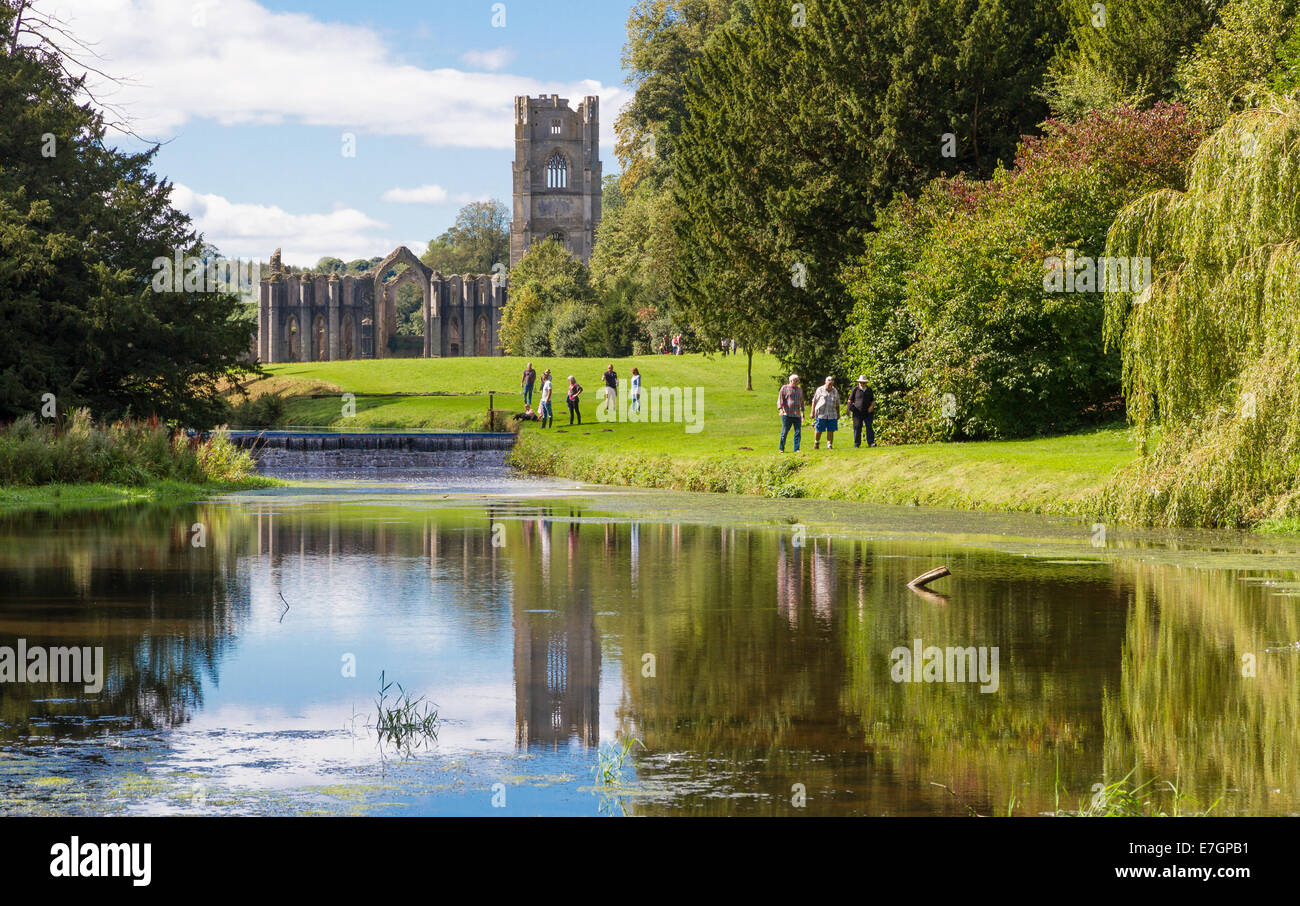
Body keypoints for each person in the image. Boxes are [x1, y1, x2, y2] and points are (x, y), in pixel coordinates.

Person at [811, 376, 840, 449]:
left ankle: (829, 445)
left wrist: (838, 413)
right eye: (828, 384)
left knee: (831, 430)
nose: (830, 385)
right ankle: (816, 442)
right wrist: (812, 412)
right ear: (825, 383)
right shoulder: (820, 390)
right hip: (821, 414)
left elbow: (837, 403)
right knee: (819, 429)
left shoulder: (835, 390)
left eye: (831, 384)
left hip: (832, 413)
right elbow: (814, 401)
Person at [778, 374, 804, 453]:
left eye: (797, 381)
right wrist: (780, 410)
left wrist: (802, 412)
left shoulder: (799, 389)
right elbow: (780, 400)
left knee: (798, 432)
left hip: (797, 414)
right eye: (795, 381)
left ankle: (796, 449)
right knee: (784, 432)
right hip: (787, 414)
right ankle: (781, 448)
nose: (797, 382)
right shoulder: (784, 388)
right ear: (790, 381)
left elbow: (801, 401)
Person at [848, 375, 875, 448]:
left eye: (863, 382)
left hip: (868, 413)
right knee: (857, 428)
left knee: (869, 427)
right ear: (859, 382)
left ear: (866, 383)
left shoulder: (869, 390)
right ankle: (857, 444)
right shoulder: (855, 389)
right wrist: (848, 410)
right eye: (861, 382)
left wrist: (871, 407)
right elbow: (850, 400)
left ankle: (871, 443)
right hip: (857, 413)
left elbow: (872, 400)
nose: (862, 384)